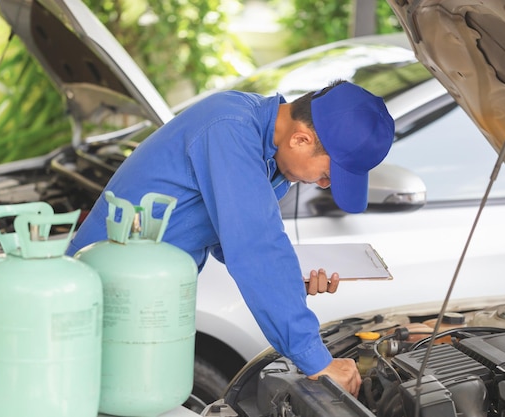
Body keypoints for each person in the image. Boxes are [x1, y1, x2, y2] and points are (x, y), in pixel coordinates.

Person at [67, 79, 394, 396]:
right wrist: (318, 362)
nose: (324, 185)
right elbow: (256, 250)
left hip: (143, 302)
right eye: (326, 174)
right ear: (300, 139)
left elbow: (234, 237)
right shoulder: (229, 130)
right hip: (95, 303)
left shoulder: (264, 150)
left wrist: (291, 276)